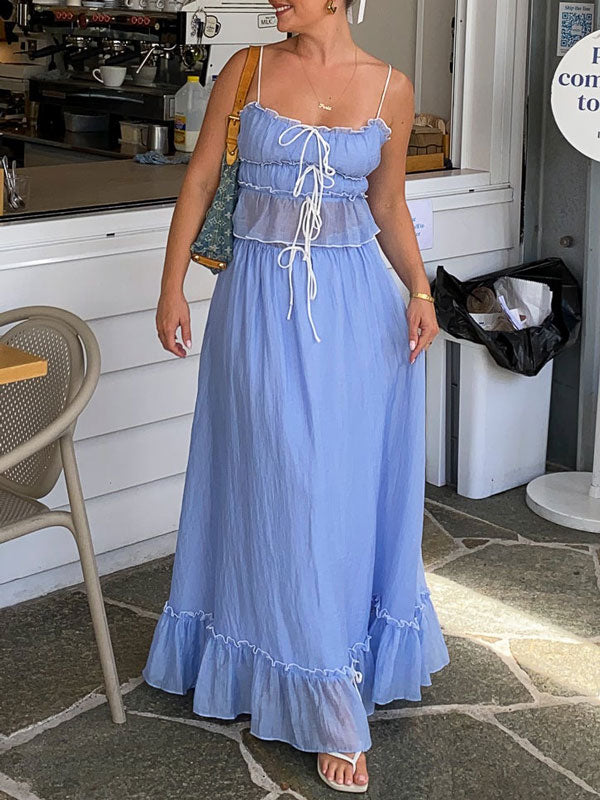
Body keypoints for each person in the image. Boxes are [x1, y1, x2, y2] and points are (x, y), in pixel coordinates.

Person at [143, 0, 450, 792]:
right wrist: (171, 287)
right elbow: (201, 178)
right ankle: (294, 677)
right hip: (256, 304)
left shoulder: (390, 87)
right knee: (274, 485)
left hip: (357, 314)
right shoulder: (245, 70)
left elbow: (387, 204)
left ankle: (327, 681)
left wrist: (420, 290)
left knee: (330, 495)